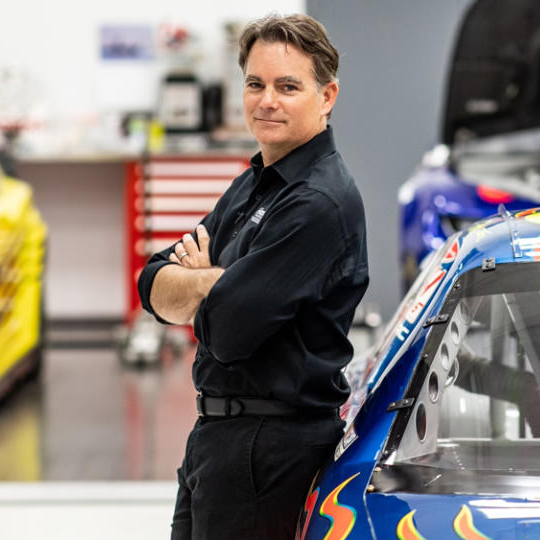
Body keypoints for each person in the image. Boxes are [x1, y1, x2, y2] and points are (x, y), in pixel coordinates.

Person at [136, 13, 369, 540]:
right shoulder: (254, 185)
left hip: (268, 453)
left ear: (326, 95)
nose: (268, 100)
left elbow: (231, 331)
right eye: (256, 84)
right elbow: (151, 282)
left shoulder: (317, 203)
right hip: (217, 441)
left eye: (288, 87)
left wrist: (203, 286)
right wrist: (217, 284)